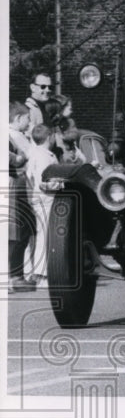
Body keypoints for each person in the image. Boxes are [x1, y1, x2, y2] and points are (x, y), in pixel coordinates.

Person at [24, 124, 58, 288]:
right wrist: (62, 185)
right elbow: (45, 183)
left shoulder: (34, 153)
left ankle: (34, 271)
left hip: (37, 199)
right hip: (46, 198)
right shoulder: (45, 156)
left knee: (40, 234)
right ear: (50, 137)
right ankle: (42, 275)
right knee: (45, 235)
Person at [9, 102, 35, 292]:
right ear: (18, 119)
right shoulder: (16, 136)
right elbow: (27, 157)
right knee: (20, 232)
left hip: (14, 187)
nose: (30, 122)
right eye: (27, 118)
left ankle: (16, 275)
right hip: (18, 188)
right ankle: (16, 276)